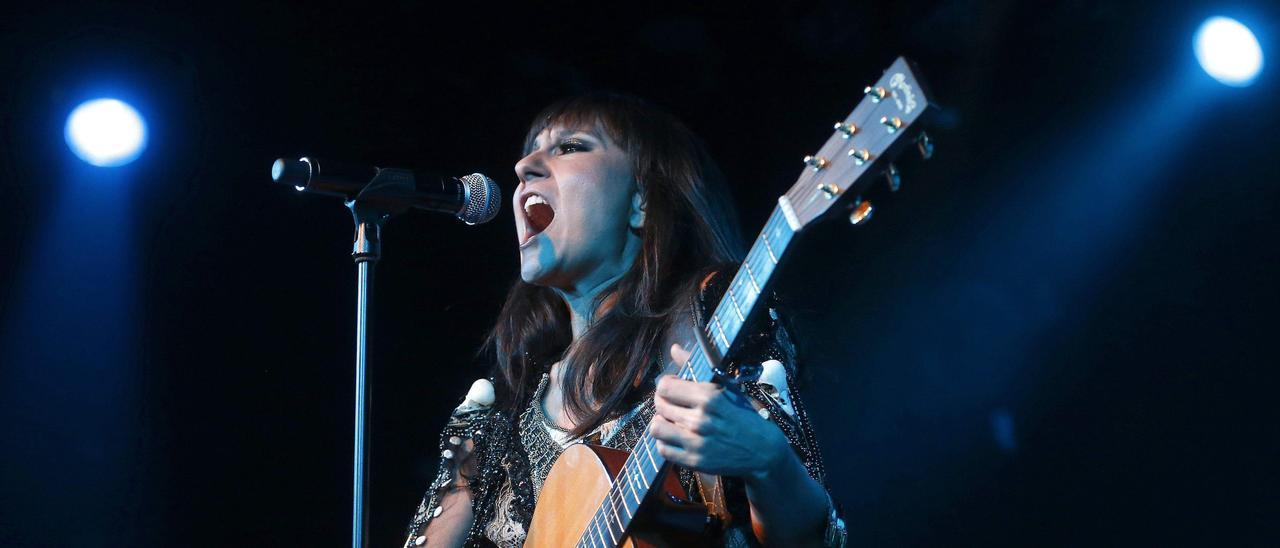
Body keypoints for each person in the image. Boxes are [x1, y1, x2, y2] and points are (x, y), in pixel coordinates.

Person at [404, 93, 844, 547]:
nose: (523, 167)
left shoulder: (709, 321)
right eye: (529, 150)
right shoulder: (501, 412)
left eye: (570, 146)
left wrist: (770, 462)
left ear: (642, 202)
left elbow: (809, 538)